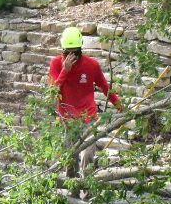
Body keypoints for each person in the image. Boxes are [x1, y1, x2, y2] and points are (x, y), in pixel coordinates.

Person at [48, 26, 123, 175]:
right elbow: (52, 92)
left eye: (75, 52)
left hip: (88, 117)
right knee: (70, 159)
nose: (71, 56)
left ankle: (88, 192)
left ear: (80, 48)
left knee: (88, 155)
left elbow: (104, 86)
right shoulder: (56, 64)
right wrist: (65, 70)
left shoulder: (91, 65)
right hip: (68, 120)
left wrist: (119, 105)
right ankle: (72, 192)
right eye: (67, 52)